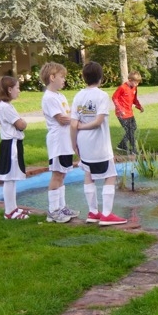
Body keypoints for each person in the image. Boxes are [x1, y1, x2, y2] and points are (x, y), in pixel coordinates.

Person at [71, 61, 127, 226]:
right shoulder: (101, 96)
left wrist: (73, 144)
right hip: (99, 144)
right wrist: (83, 126)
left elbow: (73, 124)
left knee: (88, 174)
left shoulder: (78, 96)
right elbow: (98, 122)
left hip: (83, 143)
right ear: (101, 78)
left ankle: (93, 212)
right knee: (110, 175)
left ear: (84, 77)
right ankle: (107, 214)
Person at [40, 62, 78, 223]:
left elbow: (68, 115)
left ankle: (61, 207)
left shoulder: (60, 96)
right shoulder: (49, 97)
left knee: (63, 173)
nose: (64, 80)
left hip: (65, 141)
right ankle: (53, 210)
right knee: (57, 174)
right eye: (62, 77)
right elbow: (62, 119)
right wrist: (78, 119)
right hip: (57, 142)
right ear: (52, 77)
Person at [0, 76, 30, 220]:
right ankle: (9, 211)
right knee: (9, 178)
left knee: (13, 177)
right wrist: (23, 122)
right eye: (17, 88)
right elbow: (21, 124)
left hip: (12, 143)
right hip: (11, 144)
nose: (19, 91)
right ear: (9, 89)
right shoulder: (5, 107)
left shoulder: (7, 106)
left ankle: (13, 207)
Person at [111, 71, 144, 154]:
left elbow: (134, 99)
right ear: (130, 80)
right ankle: (134, 149)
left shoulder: (134, 88)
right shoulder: (122, 87)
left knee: (134, 127)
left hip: (129, 112)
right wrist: (120, 109)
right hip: (122, 114)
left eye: (138, 82)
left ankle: (122, 145)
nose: (137, 84)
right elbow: (114, 98)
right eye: (136, 82)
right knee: (130, 131)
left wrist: (139, 106)